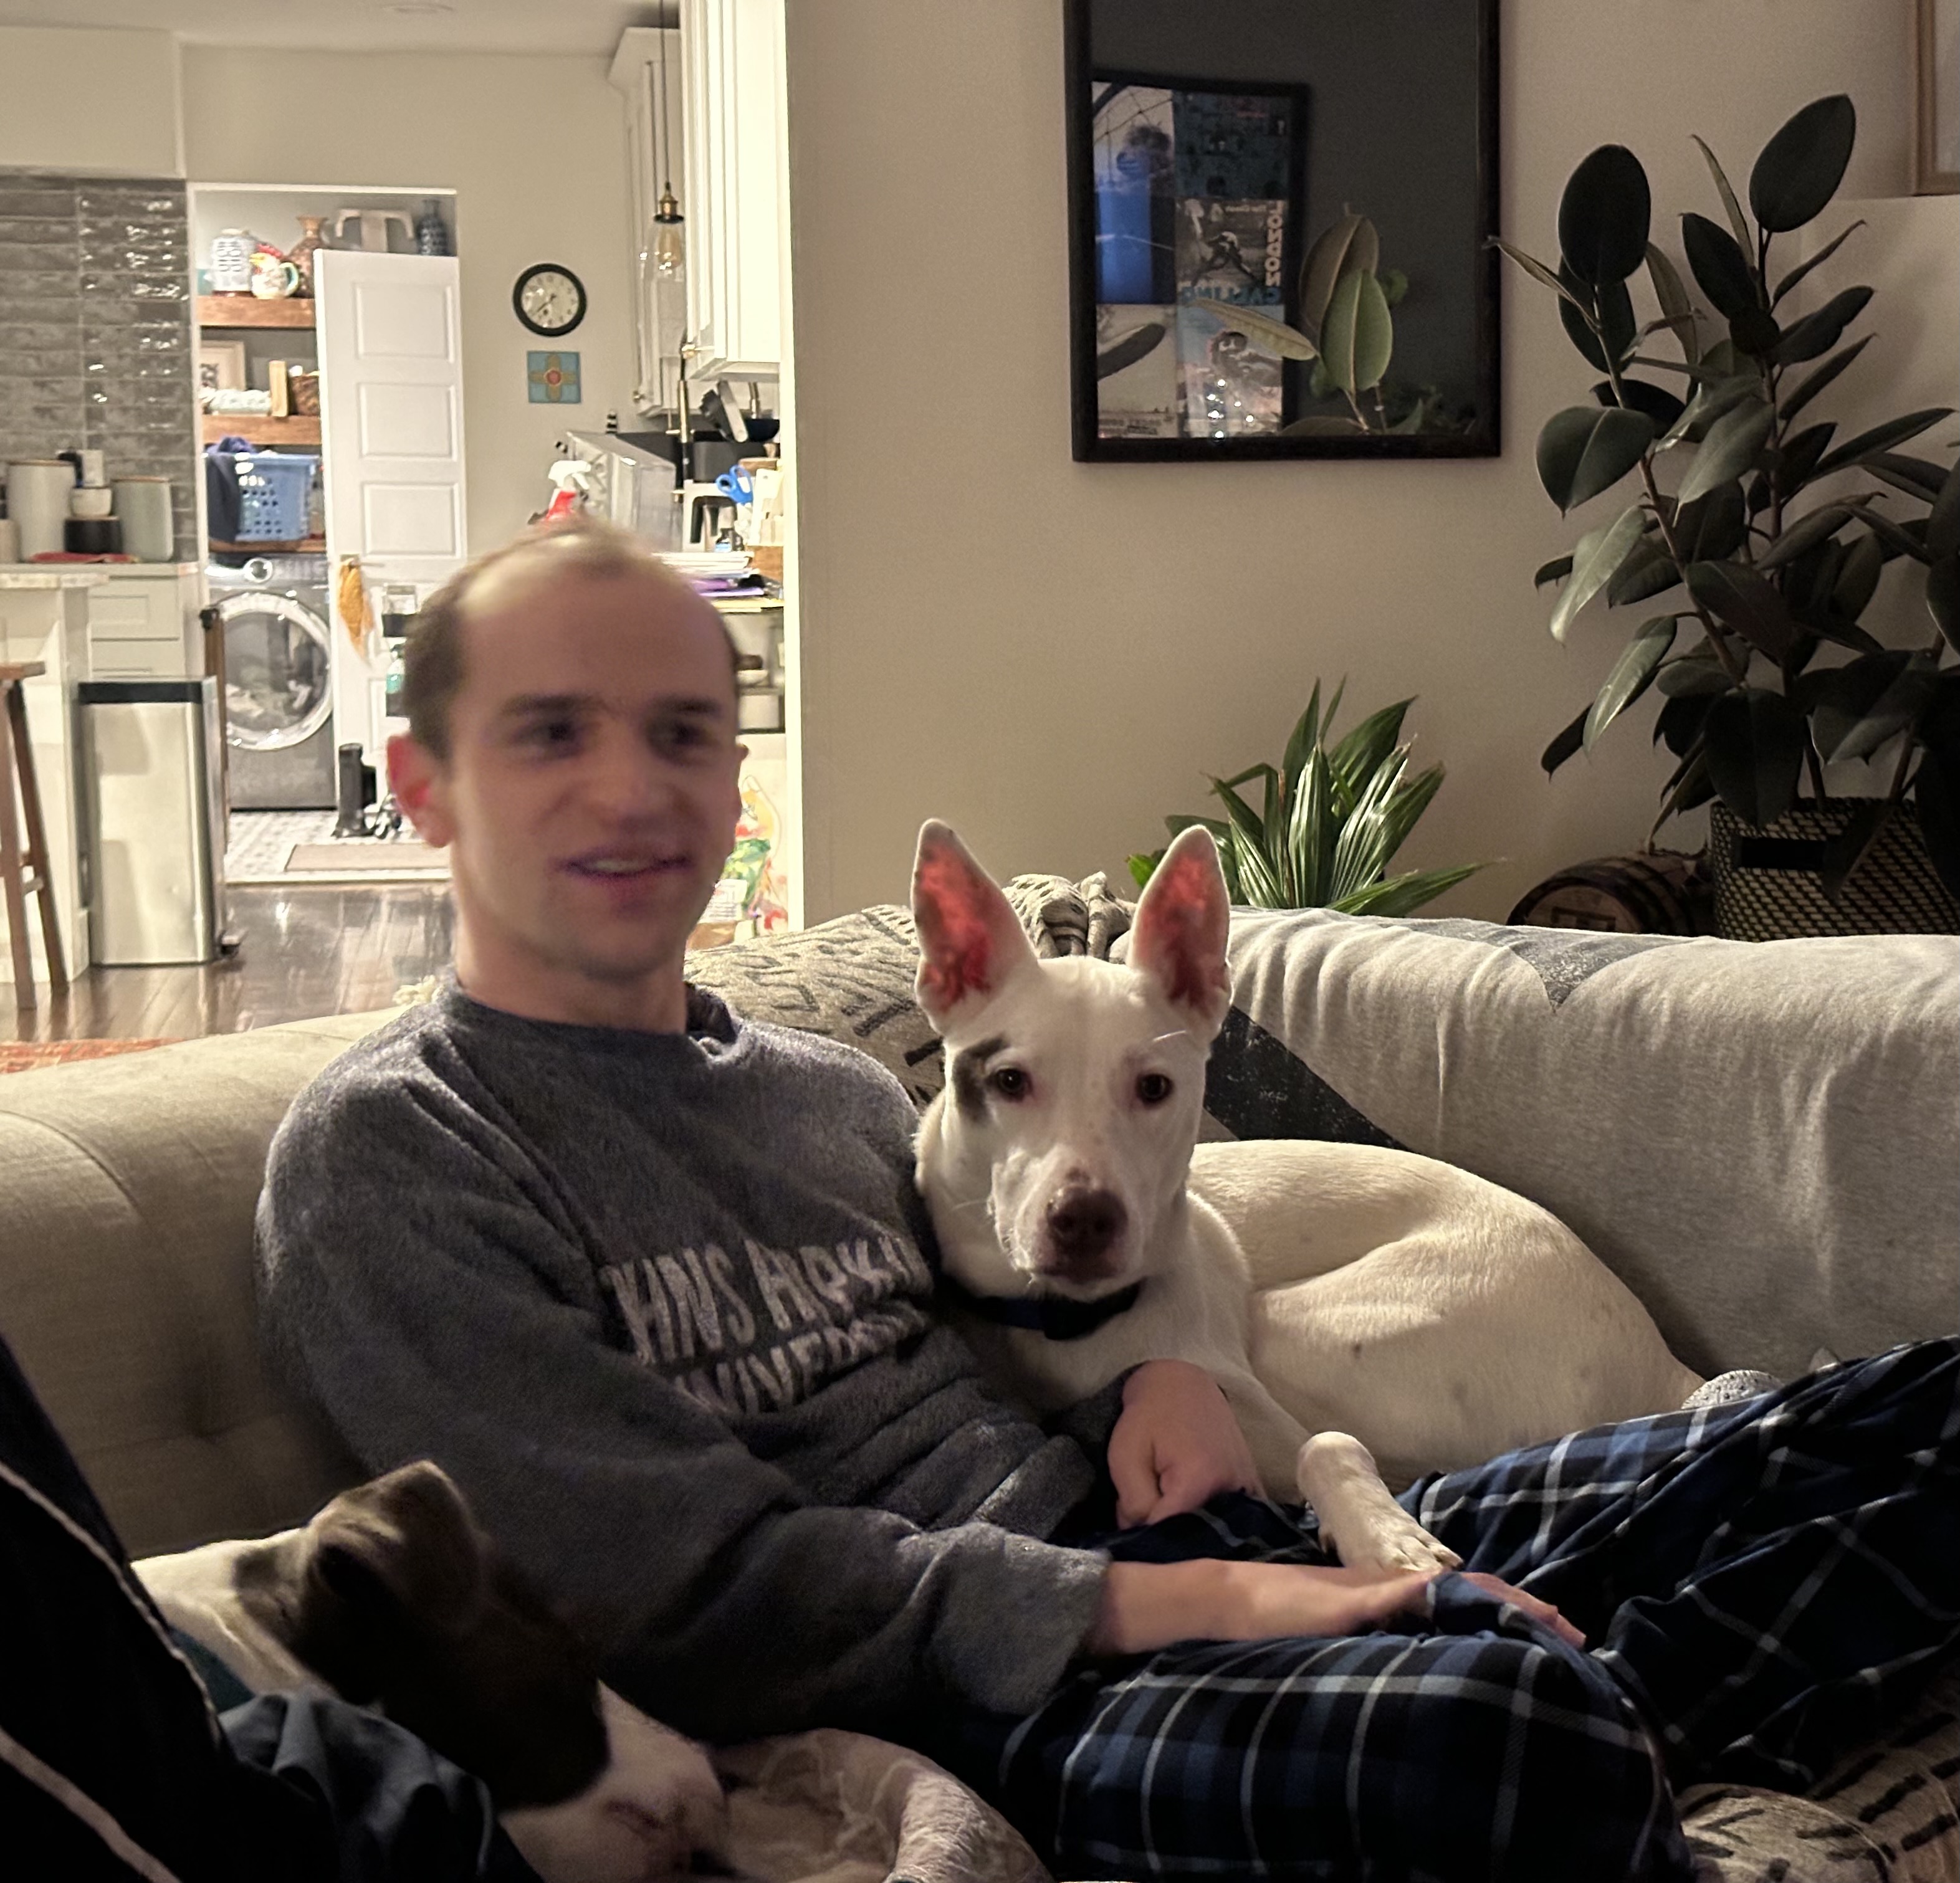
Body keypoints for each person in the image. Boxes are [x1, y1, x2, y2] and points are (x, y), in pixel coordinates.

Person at [255, 519, 1960, 1882]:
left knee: (1922, 1408)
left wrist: (1159, 1378)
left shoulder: (830, 1093)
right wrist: (1178, 1602)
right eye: (552, 732)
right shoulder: (398, 1157)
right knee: (1511, 1728)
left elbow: (1035, 1315)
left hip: (1197, 1517)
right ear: (423, 782)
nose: (632, 787)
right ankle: (1597, 1674)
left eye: (681, 732)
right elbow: (679, 1600)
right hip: (1006, 1686)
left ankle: (1600, 1655)